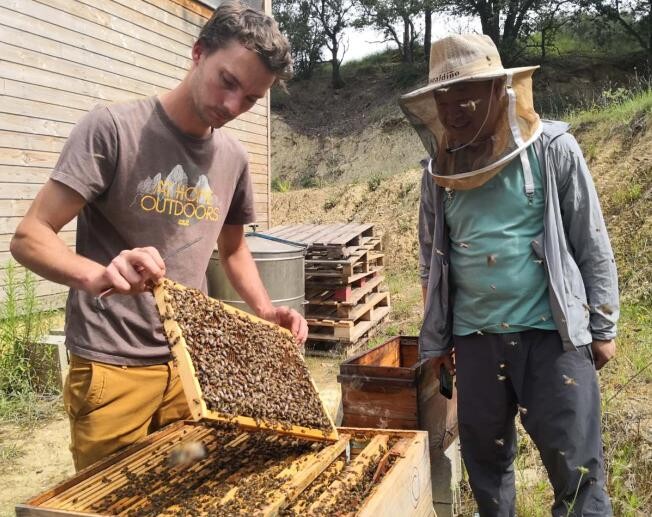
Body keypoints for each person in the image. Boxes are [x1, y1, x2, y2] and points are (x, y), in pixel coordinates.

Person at [10, 1, 308, 471]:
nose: (232, 106)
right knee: (110, 497)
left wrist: (265, 309)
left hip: (193, 368)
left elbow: (232, 249)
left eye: (250, 99)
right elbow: (29, 235)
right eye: (227, 81)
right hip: (112, 368)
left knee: (184, 480)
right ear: (198, 53)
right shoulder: (112, 129)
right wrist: (97, 274)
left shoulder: (234, 158)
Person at [400, 34, 619, 516]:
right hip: (475, 340)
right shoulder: (438, 172)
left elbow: (591, 241)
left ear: (499, 92)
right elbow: (430, 258)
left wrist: (603, 326)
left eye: (466, 96)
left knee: (577, 473)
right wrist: (437, 342)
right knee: (486, 468)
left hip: (552, 336)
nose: (454, 109)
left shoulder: (554, 149)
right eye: (445, 98)